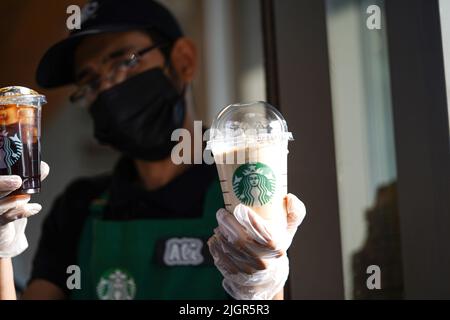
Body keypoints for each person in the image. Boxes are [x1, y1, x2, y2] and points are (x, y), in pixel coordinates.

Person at [0, 0, 306, 300]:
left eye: (125, 62)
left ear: (183, 61)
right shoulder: (79, 207)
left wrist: (260, 288)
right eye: (90, 81)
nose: (107, 88)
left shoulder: (248, 186)